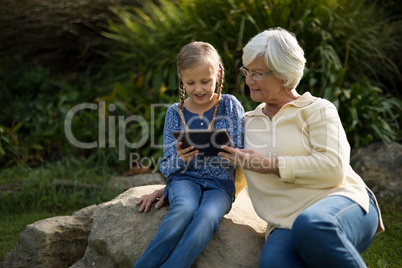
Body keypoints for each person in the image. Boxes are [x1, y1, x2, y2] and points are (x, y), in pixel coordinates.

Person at [138, 28, 385, 268]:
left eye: (256, 73)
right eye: (246, 71)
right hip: (285, 222)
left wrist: (266, 164)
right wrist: (174, 185)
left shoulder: (318, 109)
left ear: (283, 73)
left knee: (312, 226)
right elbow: (225, 165)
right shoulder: (245, 122)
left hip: (338, 202)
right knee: (274, 263)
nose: (247, 80)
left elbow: (333, 169)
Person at [133, 41, 244, 268]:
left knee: (207, 216)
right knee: (184, 208)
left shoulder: (230, 105)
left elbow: (241, 151)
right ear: (181, 79)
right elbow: (165, 165)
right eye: (190, 82)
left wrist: (232, 151)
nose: (198, 89)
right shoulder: (175, 112)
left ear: (218, 74)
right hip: (185, 178)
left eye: (205, 81)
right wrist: (180, 158)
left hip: (220, 183)